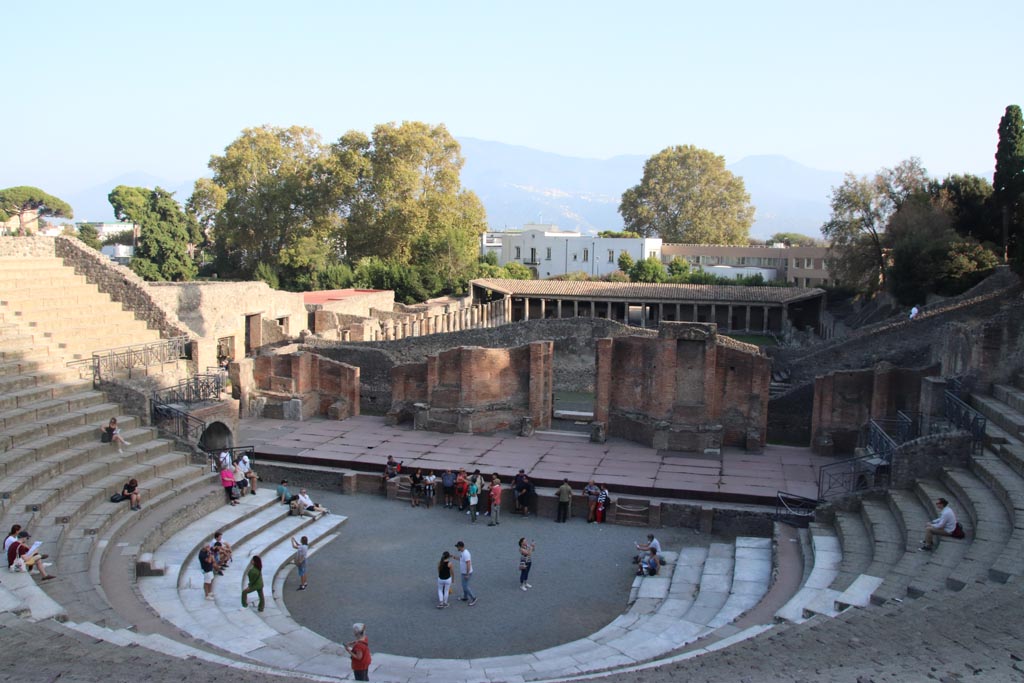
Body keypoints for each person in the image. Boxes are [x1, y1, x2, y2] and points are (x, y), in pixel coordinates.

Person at [455, 541, 477, 606]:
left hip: (466, 573)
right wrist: (454, 557)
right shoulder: (462, 553)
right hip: (463, 572)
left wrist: (467, 574)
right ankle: (465, 597)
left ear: (460, 547)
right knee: (464, 585)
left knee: (465, 586)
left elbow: (468, 564)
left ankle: (474, 598)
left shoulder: (466, 554)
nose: (457, 548)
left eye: (457, 546)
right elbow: (461, 559)